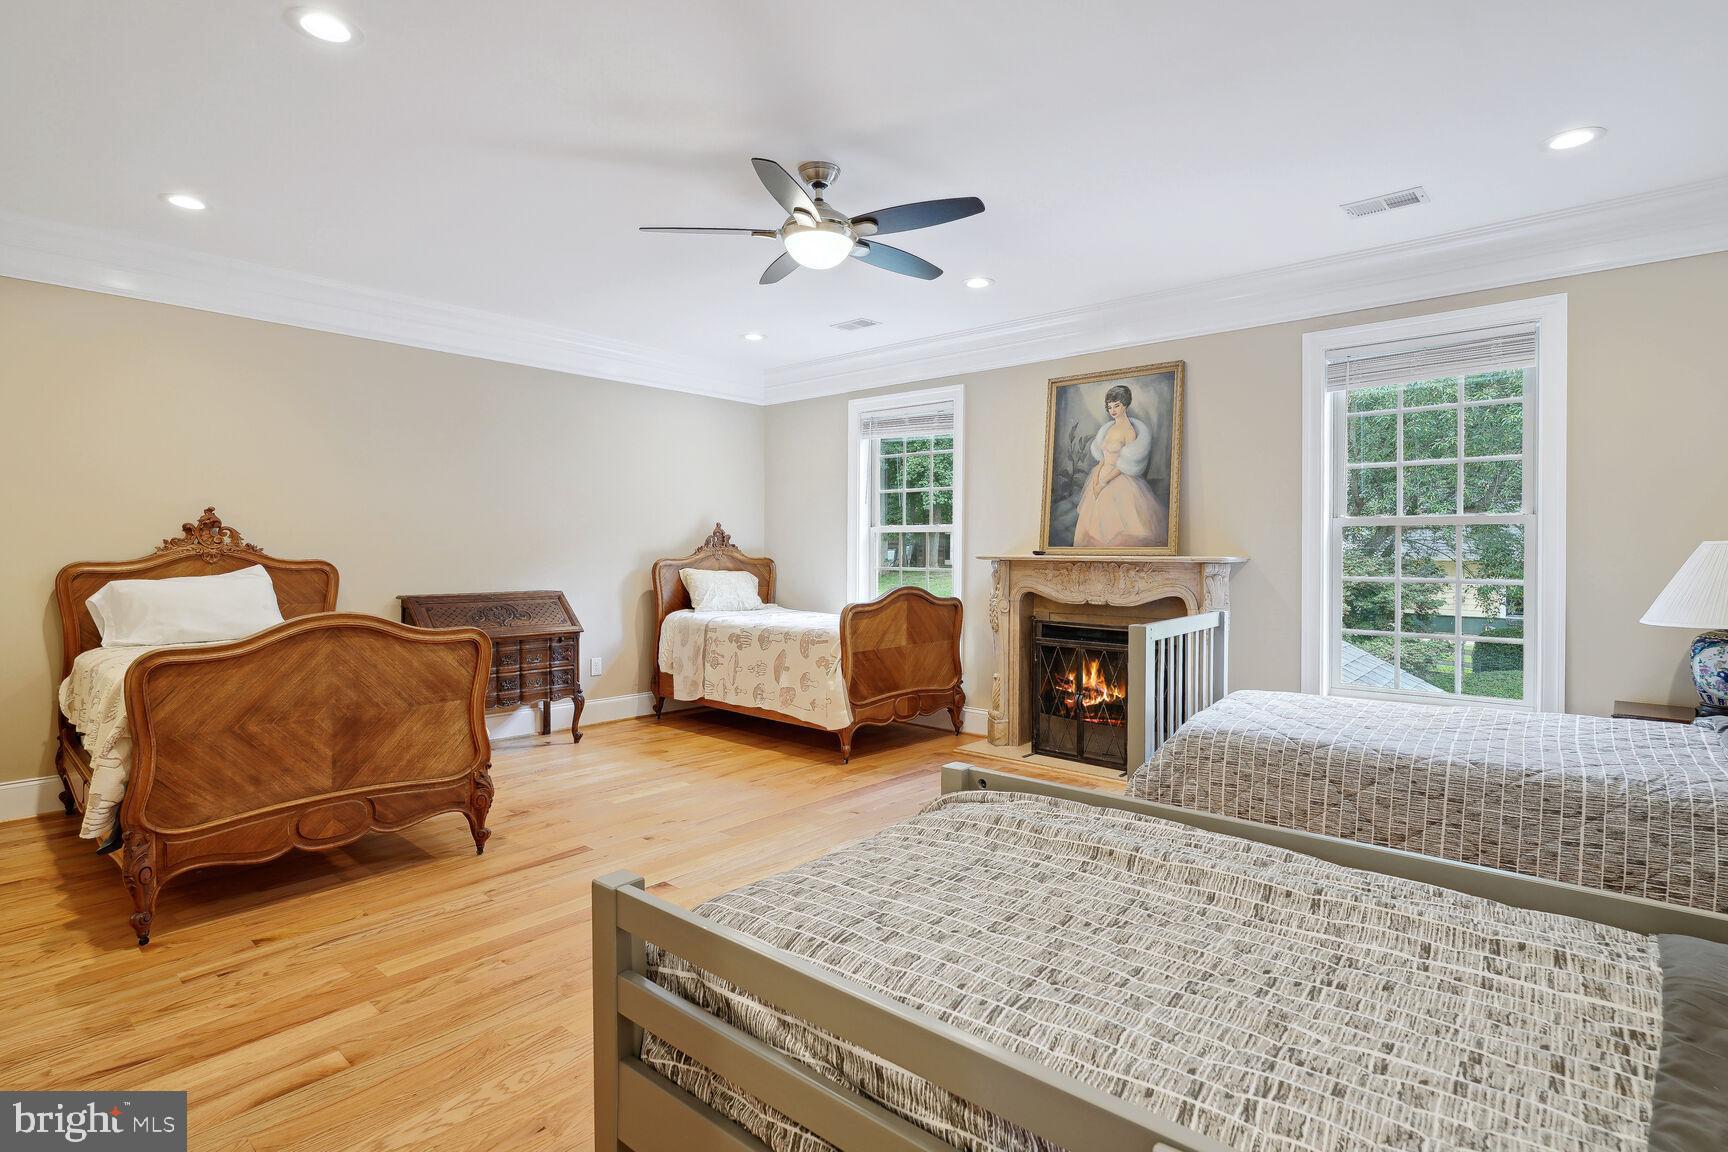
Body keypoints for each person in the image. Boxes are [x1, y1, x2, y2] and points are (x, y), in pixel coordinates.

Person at [1072, 384, 1167, 548]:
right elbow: (1102, 457)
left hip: (1118, 478)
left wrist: (1103, 482)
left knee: (1113, 526)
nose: (1113, 410)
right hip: (1101, 474)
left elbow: (1125, 464)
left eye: (1117, 405)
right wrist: (1096, 480)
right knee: (1089, 522)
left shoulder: (1129, 431)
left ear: (1125, 405)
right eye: (1110, 407)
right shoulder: (1108, 429)